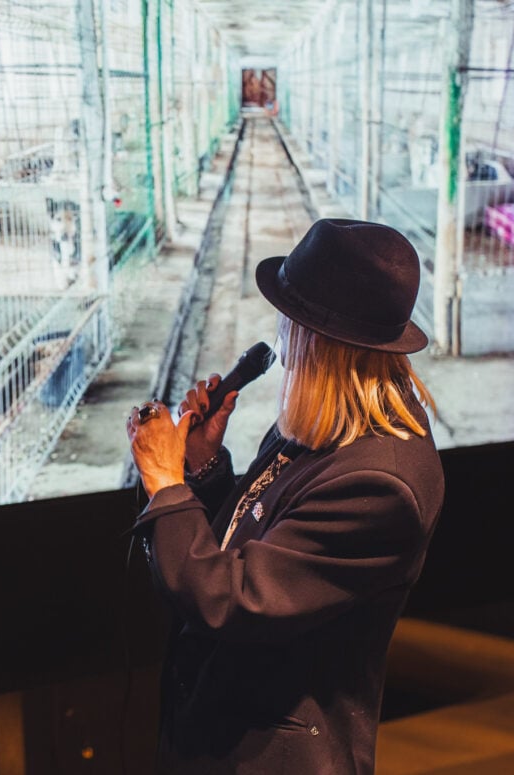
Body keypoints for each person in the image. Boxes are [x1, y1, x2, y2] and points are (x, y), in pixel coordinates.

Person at [126, 218, 444, 774]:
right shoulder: (323, 424)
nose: (281, 337)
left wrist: (164, 480)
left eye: (287, 321)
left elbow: (231, 599)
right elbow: (253, 544)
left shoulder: (380, 483)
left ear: (315, 339)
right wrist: (201, 467)